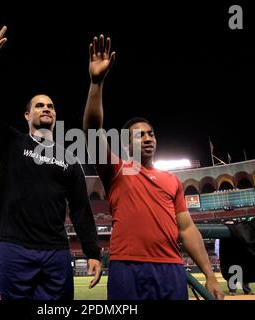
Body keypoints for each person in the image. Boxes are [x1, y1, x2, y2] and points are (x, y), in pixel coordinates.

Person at [0, 19, 102, 300]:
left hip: (56, 251)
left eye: (50, 105)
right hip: (14, 248)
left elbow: (80, 209)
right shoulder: (11, 144)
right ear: (27, 116)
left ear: (56, 116)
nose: (46, 108)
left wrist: (92, 251)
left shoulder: (69, 159)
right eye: (39, 105)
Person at [83, 35, 224, 300]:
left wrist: (210, 274)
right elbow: (92, 132)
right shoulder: (115, 170)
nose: (148, 138)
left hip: (171, 268)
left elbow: (187, 229)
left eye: (151, 134)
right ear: (126, 143)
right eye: (140, 135)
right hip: (127, 266)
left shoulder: (172, 181)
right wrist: (96, 83)